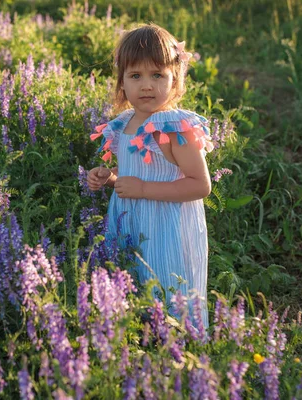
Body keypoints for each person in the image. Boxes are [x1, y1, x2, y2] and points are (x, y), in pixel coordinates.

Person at [87, 24, 214, 326]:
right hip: (130, 221)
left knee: (168, 287)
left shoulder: (174, 128)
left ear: (175, 79)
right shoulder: (124, 124)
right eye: (136, 76)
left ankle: (182, 347)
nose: (146, 85)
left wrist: (143, 188)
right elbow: (136, 170)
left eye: (157, 75)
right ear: (122, 82)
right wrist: (111, 178)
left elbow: (200, 185)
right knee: (133, 286)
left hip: (166, 229)